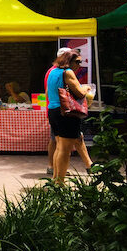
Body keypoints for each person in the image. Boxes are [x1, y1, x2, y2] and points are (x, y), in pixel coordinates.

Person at [47, 49, 93, 184]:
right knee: (65, 150)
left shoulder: (53, 71)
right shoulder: (67, 72)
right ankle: (59, 183)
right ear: (68, 61)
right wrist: (87, 88)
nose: (79, 65)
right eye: (77, 62)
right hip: (66, 113)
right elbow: (79, 92)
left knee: (59, 146)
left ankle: (56, 179)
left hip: (53, 111)